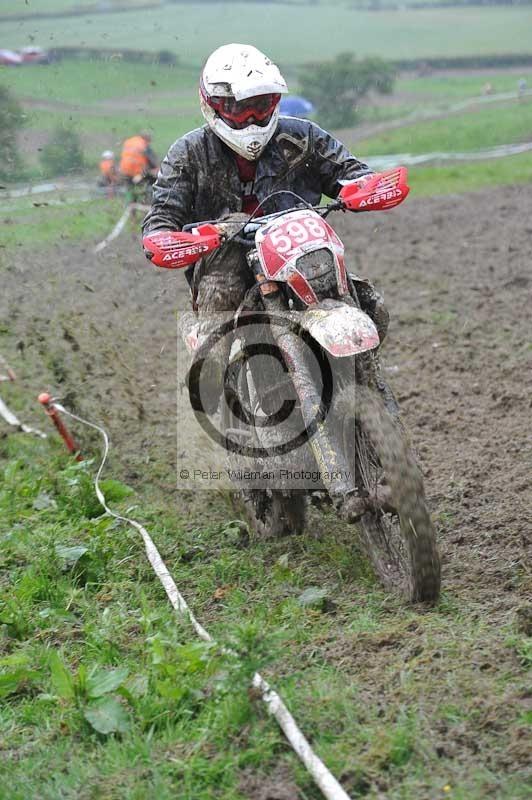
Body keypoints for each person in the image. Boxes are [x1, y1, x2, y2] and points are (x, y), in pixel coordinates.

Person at [142, 43, 390, 410]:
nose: (253, 119)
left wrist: (365, 189)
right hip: (226, 256)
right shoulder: (189, 153)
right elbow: (162, 216)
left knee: (370, 303)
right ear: (214, 105)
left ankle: (374, 394)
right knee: (218, 297)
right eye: (241, 110)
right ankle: (223, 408)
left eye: (263, 105)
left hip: (298, 248)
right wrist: (169, 240)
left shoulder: (301, 136)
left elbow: (349, 172)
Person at [119, 130, 159, 202]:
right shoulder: (143, 145)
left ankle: (131, 204)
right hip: (138, 174)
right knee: (154, 180)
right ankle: (148, 202)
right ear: (147, 139)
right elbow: (152, 162)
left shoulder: (128, 142)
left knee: (131, 190)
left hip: (125, 173)